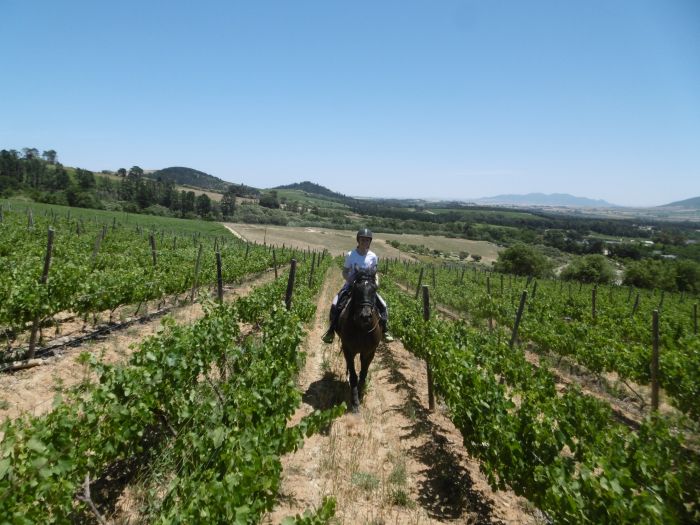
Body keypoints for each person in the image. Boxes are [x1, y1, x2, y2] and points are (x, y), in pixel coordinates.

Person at [322, 228, 394, 344]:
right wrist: (349, 279)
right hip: (351, 286)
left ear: (370, 242)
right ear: (358, 240)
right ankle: (331, 330)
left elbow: (375, 273)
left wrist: (376, 281)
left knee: (383, 305)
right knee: (336, 304)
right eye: (362, 240)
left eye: (367, 240)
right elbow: (345, 271)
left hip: (367, 289)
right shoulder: (351, 255)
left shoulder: (373, 256)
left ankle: (384, 330)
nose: (364, 242)